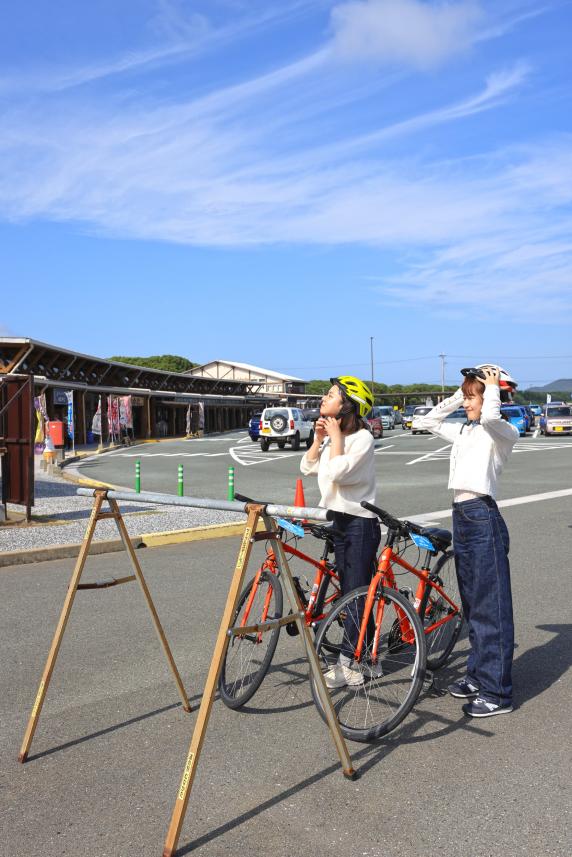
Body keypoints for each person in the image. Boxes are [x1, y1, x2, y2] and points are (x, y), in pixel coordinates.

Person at [414, 364, 519, 717]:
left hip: (482, 515)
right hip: (462, 515)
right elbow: (424, 422)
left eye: (472, 397)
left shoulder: (502, 432)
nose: (468, 404)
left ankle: (497, 691)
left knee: (491, 605)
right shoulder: (466, 431)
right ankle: (477, 674)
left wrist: (489, 391)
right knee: (472, 603)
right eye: (468, 398)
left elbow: (491, 420)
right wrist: (459, 395)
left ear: (492, 396)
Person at [300, 376, 381, 688]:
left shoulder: (362, 438)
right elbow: (307, 468)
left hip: (360, 523)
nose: (324, 398)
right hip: (339, 522)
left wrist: (333, 439)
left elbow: (336, 472)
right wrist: (317, 439)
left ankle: (349, 663)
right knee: (353, 591)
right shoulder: (335, 437)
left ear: (347, 406)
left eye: (331, 395)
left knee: (355, 593)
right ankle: (367, 658)